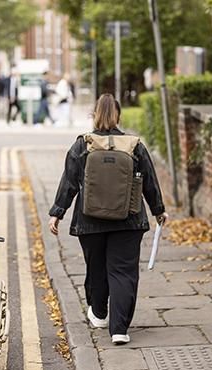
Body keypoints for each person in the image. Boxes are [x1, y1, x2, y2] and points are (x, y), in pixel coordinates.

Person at [48, 94, 167, 345]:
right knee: (123, 272)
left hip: (90, 221)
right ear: (119, 116)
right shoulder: (135, 145)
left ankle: (99, 313)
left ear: (94, 115)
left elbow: (69, 181)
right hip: (129, 220)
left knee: (97, 268)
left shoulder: (82, 145)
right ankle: (120, 329)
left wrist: (57, 212)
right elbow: (150, 182)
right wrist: (158, 210)